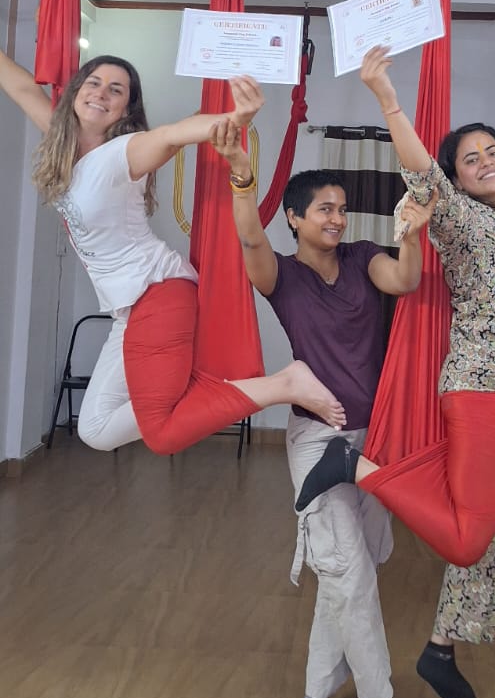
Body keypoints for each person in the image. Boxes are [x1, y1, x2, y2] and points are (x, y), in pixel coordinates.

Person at [296, 45, 495, 698]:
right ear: (460, 175)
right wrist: (386, 97)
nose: (486, 161)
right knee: (468, 532)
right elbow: (421, 171)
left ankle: (441, 647)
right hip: (484, 387)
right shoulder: (461, 220)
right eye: (470, 157)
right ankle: (355, 465)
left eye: (493, 152)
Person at [212, 76, 436, 698]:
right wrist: (243, 180)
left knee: (356, 564)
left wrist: (413, 234)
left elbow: (407, 280)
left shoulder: (368, 258)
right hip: (317, 437)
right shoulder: (282, 274)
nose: (337, 219)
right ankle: (373, 695)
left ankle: (316, 692)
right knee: (345, 567)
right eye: (324, 210)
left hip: (376, 437)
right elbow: (248, 240)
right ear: (297, 219)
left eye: (341, 208)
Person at [0, 48, 345, 454]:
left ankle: (285, 384)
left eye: (116, 90)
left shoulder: (123, 153)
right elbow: (21, 85)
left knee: (162, 434)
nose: (101, 94)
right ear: (75, 91)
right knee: (95, 429)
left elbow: (175, 133)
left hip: (158, 296)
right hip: (128, 310)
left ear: (125, 111)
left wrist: (234, 120)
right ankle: (197, 390)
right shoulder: (61, 141)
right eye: (93, 83)